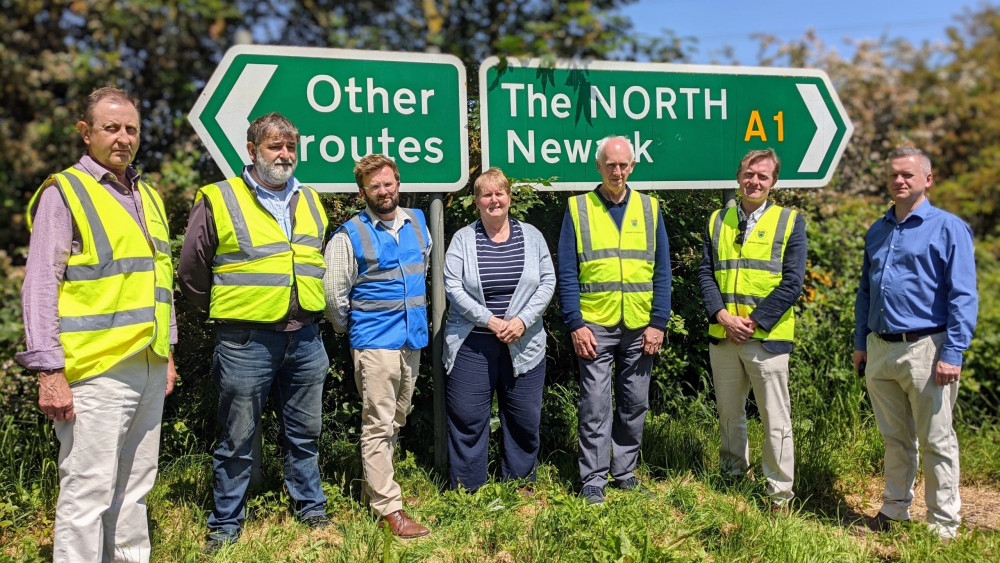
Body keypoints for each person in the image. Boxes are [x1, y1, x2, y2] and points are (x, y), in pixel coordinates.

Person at [18, 86, 177, 562]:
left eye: (131, 128)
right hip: (94, 371)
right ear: (86, 133)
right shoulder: (64, 191)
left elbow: (160, 282)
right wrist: (49, 371)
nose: (123, 138)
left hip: (148, 363)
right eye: (111, 128)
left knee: (134, 489)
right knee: (88, 493)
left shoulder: (148, 195)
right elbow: (41, 284)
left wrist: (166, 354)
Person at [178, 112, 331, 551]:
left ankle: (311, 509)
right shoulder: (219, 197)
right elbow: (191, 271)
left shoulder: (310, 200)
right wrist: (229, 310)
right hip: (245, 340)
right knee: (237, 437)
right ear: (252, 151)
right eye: (274, 146)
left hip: (305, 337)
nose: (284, 155)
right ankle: (225, 525)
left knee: (306, 433)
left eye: (290, 147)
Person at [853, 146, 978, 540]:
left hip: (928, 348)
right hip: (880, 347)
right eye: (893, 175)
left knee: (937, 439)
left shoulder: (948, 227)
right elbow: (865, 292)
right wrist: (861, 342)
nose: (899, 181)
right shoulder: (878, 229)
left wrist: (953, 351)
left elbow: (963, 295)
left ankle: (943, 525)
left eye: (908, 174)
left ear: (927, 179)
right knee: (895, 438)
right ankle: (894, 511)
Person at [557, 135, 671, 505]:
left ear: (632, 166)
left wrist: (659, 322)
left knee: (635, 403)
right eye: (610, 164)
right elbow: (568, 273)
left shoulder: (650, 208)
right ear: (599, 166)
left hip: (640, 324)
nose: (617, 171)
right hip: (595, 325)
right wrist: (575, 323)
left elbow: (663, 272)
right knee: (594, 404)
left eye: (623, 165)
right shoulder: (578, 208)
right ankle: (593, 478)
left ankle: (624, 471)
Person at [324, 153, 432, 538]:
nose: (383, 191)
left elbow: (421, 270)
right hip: (375, 344)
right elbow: (335, 296)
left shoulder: (418, 223)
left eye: (388, 184)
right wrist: (351, 333)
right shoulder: (348, 235)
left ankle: (379, 491)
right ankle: (389, 508)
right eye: (375, 187)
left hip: (411, 340)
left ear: (398, 183)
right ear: (362, 192)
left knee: (396, 420)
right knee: (378, 424)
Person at [697, 149, 807, 511]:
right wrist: (722, 316)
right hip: (724, 335)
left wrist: (755, 321)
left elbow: (792, 283)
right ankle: (733, 478)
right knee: (729, 414)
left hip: (767, 339)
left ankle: (779, 495)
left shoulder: (790, 221)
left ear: (773, 182)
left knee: (776, 419)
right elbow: (705, 273)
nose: (754, 181)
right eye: (748, 174)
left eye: (762, 176)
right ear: (738, 176)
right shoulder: (717, 219)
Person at [442, 168, 556, 491]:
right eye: (486, 194)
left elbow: (548, 281)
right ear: (477, 201)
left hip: (525, 342)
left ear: (509, 197)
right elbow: (452, 286)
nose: (494, 200)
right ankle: (468, 490)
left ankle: (519, 486)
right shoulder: (463, 239)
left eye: (500, 193)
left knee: (523, 419)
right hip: (472, 345)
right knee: (467, 418)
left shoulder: (532, 236)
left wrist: (522, 321)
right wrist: (489, 320)